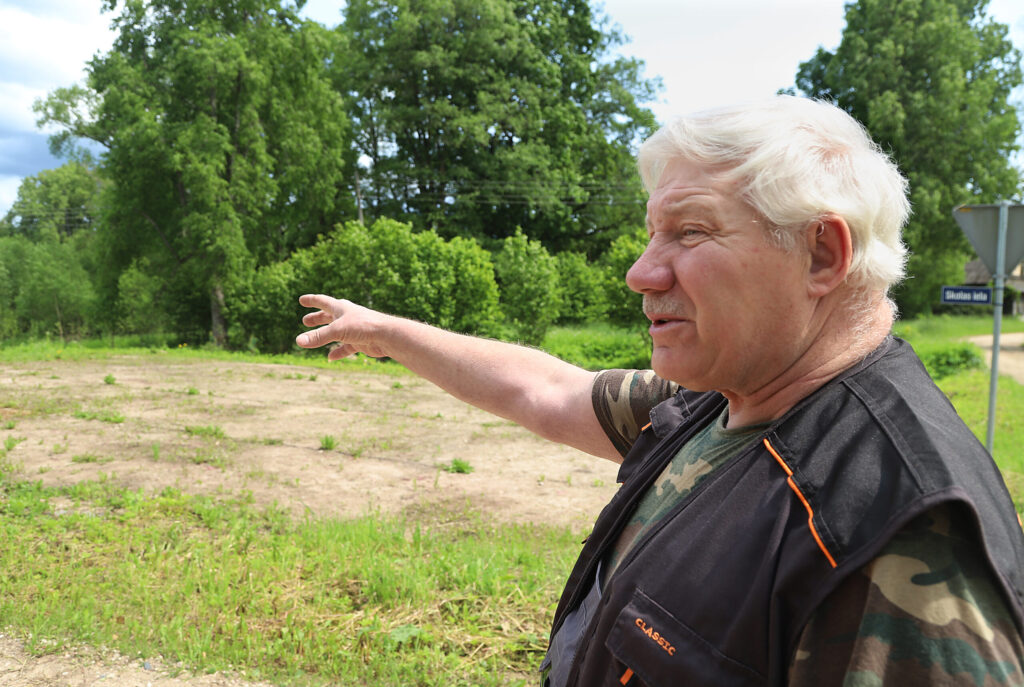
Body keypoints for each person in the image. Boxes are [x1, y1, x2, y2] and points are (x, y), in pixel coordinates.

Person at [296, 96, 1024, 686]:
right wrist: (387, 331)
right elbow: (545, 390)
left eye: (690, 232)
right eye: (652, 234)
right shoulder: (715, 401)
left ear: (821, 252)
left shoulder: (889, 529)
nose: (642, 273)